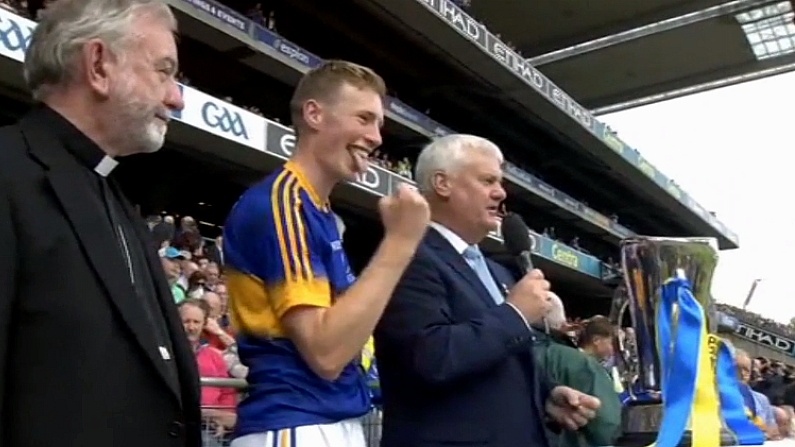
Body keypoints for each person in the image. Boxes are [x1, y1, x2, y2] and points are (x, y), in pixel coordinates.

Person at [0, 0, 201, 446]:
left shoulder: (113, 193)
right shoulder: (8, 174)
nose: (176, 97)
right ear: (98, 66)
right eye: (164, 72)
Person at [223, 60, 430, 447]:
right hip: (295, 423)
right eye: (364, 119)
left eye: (378, 124)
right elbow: (327, 352)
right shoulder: (282, 202)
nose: (376, 136)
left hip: (328, 419)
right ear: (314, 114)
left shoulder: (315, 211)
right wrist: (400, 243)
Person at [374, 134, 601, 447]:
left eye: (500, 181)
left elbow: (495, 358)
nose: (501, 192)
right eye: (487, 180)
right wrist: (515, 314)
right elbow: (430, 358)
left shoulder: (496, 271)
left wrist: (545, 396)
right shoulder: (409, 257)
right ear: (443, 184)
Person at [533, 296, 622, 447]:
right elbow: (607, 423)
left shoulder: (517, 356)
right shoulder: (580, 363)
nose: (613, 348)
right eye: (610, 341)